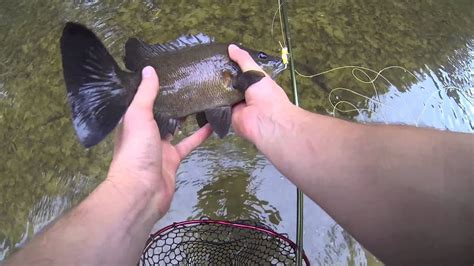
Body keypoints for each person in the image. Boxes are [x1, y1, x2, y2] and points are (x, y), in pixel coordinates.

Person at [4, 45, 473, 266]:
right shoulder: (233, 79)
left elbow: (221, 119)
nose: (268, 67)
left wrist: (135, 190)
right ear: (244, 74)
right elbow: (223, 121)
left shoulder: (228, 87)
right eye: (264, 63)